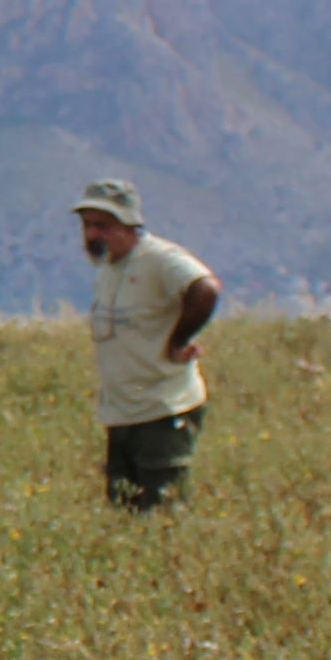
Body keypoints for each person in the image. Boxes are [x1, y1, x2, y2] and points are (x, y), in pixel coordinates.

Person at [73, 176, 220, 509]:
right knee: (124, 508)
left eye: (103, 225)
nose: (93, 234)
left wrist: (180, 339)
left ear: (129, 224)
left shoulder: (159, 259)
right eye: (87, 226)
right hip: (121, 412)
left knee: (163, 509)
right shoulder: (109, 267)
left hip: (163, 408)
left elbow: (205, 289)